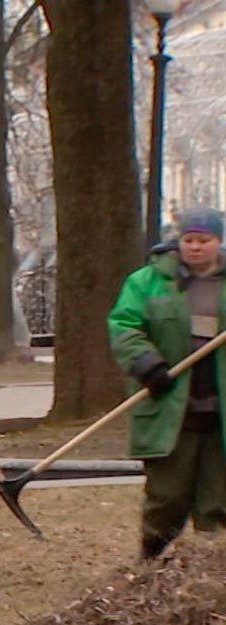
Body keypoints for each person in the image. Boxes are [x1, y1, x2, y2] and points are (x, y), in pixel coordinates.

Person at [108, 207, 226, 559]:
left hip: (219, 417)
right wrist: (146, 362)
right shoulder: (147, 282)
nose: (195, 247)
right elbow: (125, 325)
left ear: (218, 242)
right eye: (189, 240)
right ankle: (150, 565)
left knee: (217, 502)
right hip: (169, 408)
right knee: (165, 499)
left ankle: (212, 576)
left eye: (204, 240)